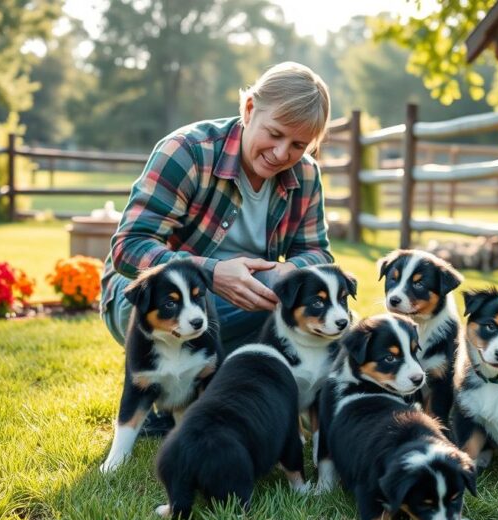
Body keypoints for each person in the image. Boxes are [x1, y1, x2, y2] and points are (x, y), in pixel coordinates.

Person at [99, 62, 335, 434]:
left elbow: (319, 254)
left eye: (298, 145)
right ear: (249, 109)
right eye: (274, 134)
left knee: (329, 313)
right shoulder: (187, 152)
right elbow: (129, 248)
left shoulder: (305, 174)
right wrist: (210, 273)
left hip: (244, 303)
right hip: (145, 297)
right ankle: (166, 391)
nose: (281, 153)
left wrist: (291, 271)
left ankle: (255, 404)